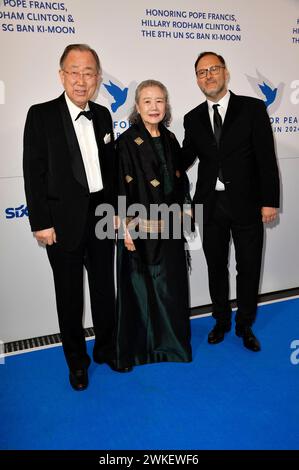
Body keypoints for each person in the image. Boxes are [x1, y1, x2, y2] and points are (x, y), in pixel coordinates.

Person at [23, 44, 130, 392]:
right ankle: (77, 363)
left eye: (88, 73)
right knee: (68, 295)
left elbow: (111, 170)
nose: (81, 80)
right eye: (74, 71)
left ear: (98, 78)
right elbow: (33, 173)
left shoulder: (103, 115)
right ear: (61, 75)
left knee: (103, 289)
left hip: (101, 215)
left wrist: (115, 210)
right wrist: (40, 222)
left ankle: (106, 349)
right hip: (61, 221)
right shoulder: (40, 115)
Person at [183, 52, 280, 352]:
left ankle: (245, 324)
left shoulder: (252, 108)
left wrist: (270, 201)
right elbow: (183, 158)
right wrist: (152, 142)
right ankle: (221, 321)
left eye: (213, 69)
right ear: (197, 79)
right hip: (211, 205)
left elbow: (266, 157)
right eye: (202, 72)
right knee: (216, 267)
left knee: (248, 266)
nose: (208, 76)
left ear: (225, 73)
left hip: (249, 204)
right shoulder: (193, 117)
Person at [115, 79, 192, 368]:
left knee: (170, 287)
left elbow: (179, 180)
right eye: (147, 101)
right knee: (142, 289)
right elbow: (120, 185)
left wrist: (186, 208)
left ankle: (171, 346)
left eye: (159, 100)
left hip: (170, 227)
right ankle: (141, 351)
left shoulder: (171, 138)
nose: (154, 107)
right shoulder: (125, 142)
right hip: (139, 227)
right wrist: (125, 227)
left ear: (166, 105)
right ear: (137, 106)